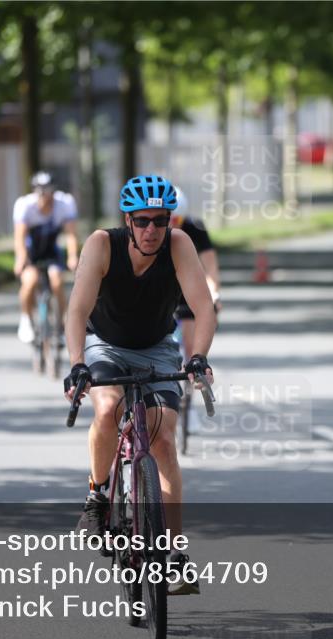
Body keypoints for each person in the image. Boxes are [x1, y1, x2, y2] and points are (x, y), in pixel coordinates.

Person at [64, 174, 216, 595]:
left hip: (157, 349)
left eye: (160, 220)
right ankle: (97, 497)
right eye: (143, 220)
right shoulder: (101, 244)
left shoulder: (179, 245)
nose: (152, 229)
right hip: (105, 345)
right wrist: (77, 364)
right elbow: (76, 311)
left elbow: (204, 309)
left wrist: (198, 357)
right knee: (109, 408)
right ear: (127, 221)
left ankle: (175, 555)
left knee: (164, 438)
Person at [170, 186, 221, 433]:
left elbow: (210, 265)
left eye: (176, 220)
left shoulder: (194, 228)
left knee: (191, 350)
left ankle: (187, 407)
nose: (171, 224)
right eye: (168, 219)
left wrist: (214, 293)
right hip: (159, 293)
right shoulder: (150, 229)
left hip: (187, 292)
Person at [13, 171, 79, 343]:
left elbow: (71, 234)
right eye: (40, 191)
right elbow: (19, 236)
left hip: (52, 250)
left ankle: (63, 324)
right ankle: (26, 319)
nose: (44, 195)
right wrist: (21, 258)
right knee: (29, 281)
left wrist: (72, 256)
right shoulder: (25, 205)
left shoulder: (64, 203)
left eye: (47, 190)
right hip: (31, 251)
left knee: (57, 281)